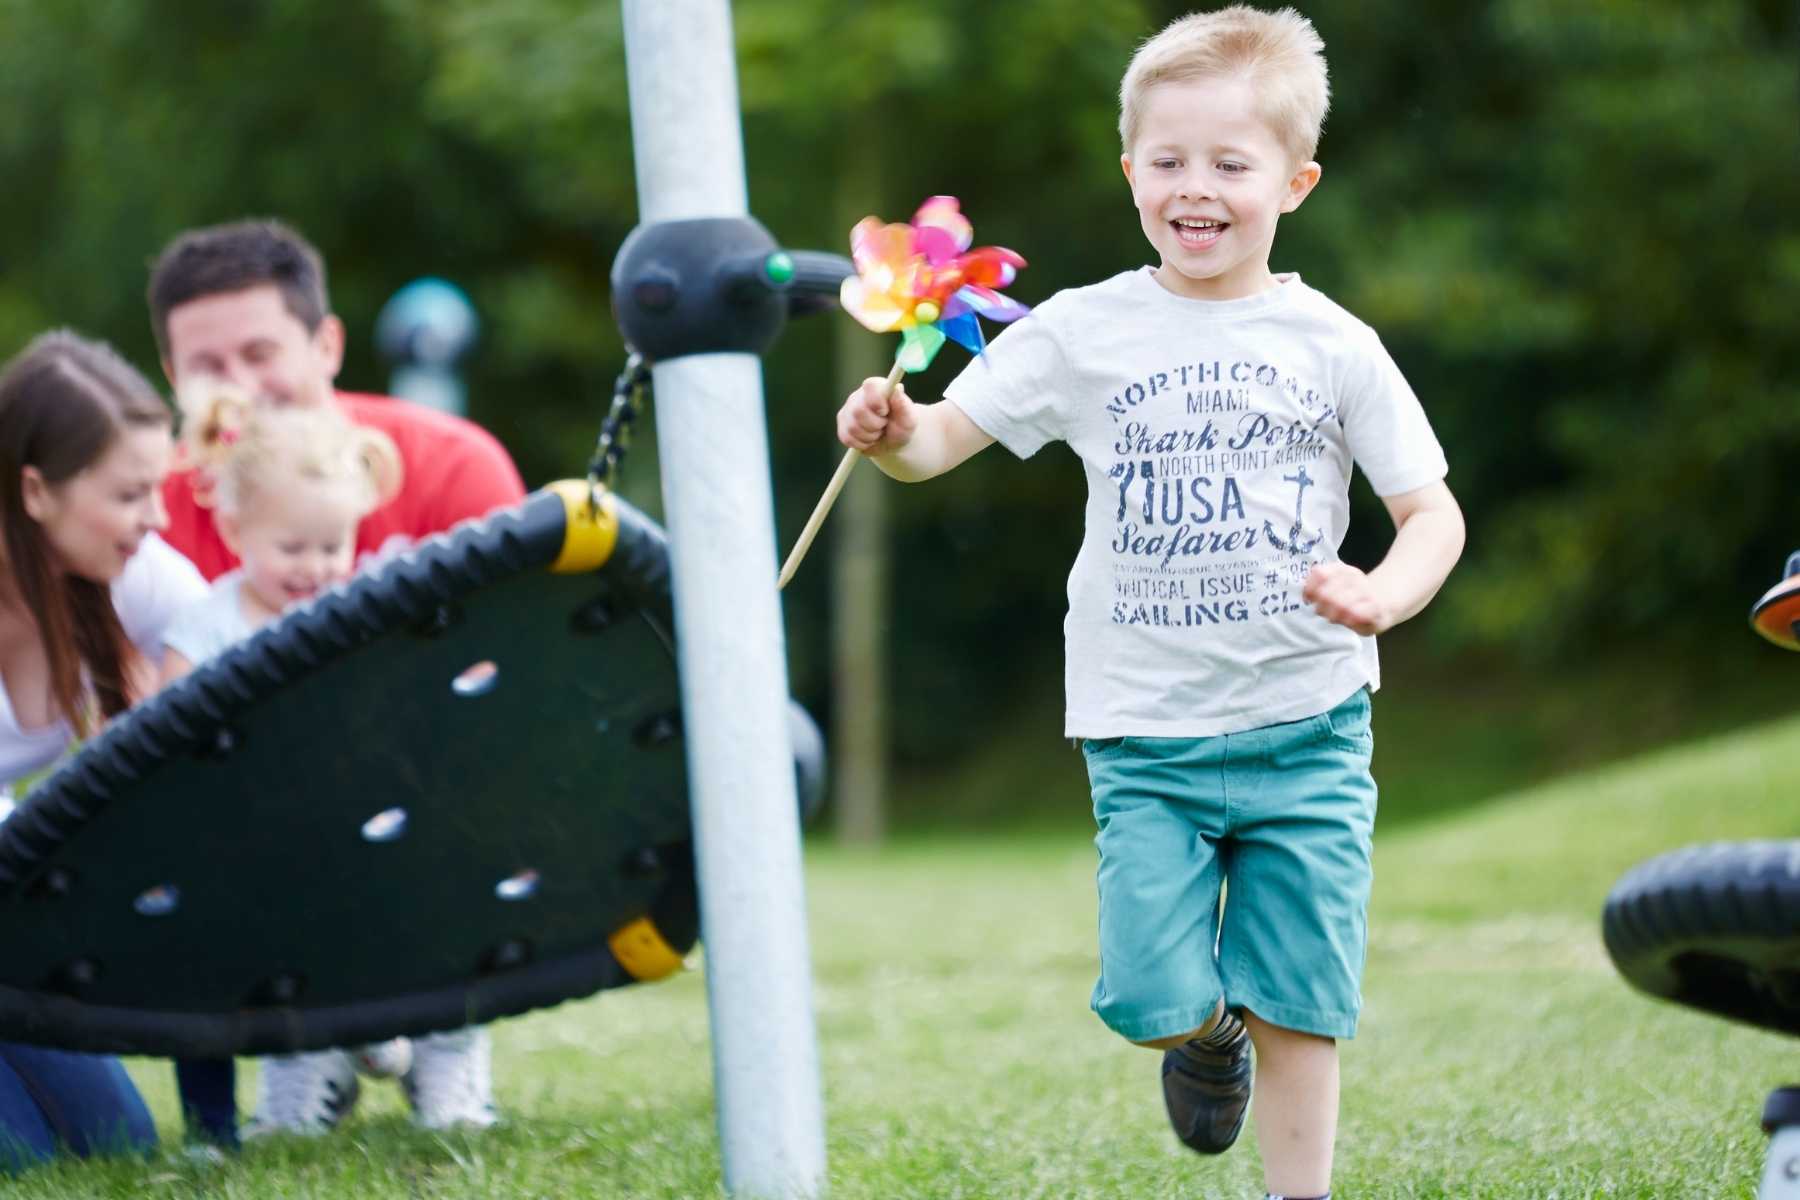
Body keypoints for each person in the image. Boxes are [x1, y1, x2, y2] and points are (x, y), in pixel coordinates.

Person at [834, 8, 1465, 1199]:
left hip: (1309, 727)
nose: (1197, 188)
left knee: (1300, 1001)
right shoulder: (1086, 329)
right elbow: (939, 443)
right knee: (1148, 996)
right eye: (1169, 160)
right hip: (1147, 735)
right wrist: (893, 429)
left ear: (1296, 181)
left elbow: (1433, 514)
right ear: (1130, 170)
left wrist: (1383, 592)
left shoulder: (1334, 344)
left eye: (1231, 163)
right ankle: (1204, 1038)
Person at [147, 218, 524, 1132]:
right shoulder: (154, 506)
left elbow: (504, 680)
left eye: (260, 353)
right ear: (169, 376)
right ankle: (309, 1056)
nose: (238, 386)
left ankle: (433, 1046)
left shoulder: (452, 465)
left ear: (326, 345)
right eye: (206, 366)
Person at [158, 383, 415, 1144]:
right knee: (207, 960)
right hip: (234, 839)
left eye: (333, 546)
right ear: (235, 530)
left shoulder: (357, 617)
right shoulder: (205, 626)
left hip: (341, 827)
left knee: (364, 881)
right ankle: (224, 1124)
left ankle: (364, 1022)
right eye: (293, 549)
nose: (317, 568)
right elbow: (164, 740)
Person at [0, 330, 208, 1171]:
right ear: (35, 490)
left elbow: (246, 665)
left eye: (157, 487)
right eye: (129, 494)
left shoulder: (132, 572)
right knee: (20, 1155)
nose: (156, 517)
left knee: (115, 1142)